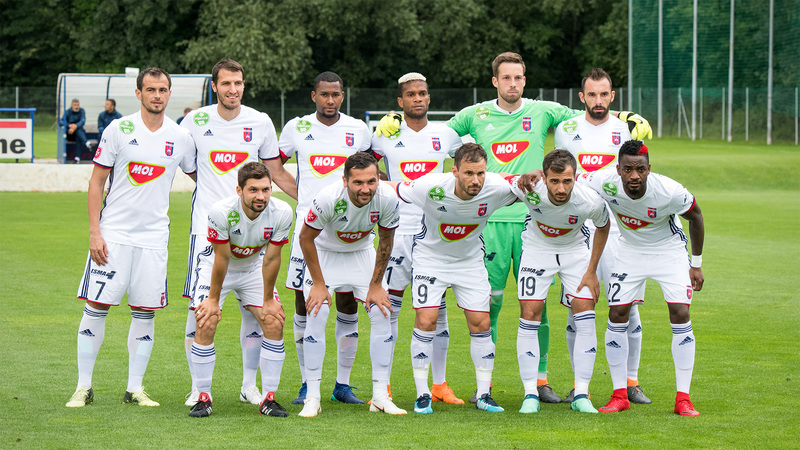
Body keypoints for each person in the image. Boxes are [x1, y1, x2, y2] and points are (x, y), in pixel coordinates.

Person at [379, 52, 651, 403]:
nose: (512, 84)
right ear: (495, 81)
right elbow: (433, 132)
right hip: (488, 221)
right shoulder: (474, 114)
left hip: (533, 220)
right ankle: (486, 385)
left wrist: (623, 115)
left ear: (525, 80)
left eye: (518, 77)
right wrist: (397, 119)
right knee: (487, 305)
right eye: (506, 78)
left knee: (537, 306)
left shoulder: (543, 111)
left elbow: (587, 114)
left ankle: (541, 380)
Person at [65, 67, 196, 408]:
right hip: (114, 235)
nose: (157, 95)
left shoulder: (180, 137)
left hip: (154, 239)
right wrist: (95, 232)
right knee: (96, 306)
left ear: (169, 94)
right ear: (138, 93)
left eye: (162, 90)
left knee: (145, 311)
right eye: (150, 89)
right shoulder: (119, 129)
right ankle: (83, 387)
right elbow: (96, 182)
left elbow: (204, 178)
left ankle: (134, 389)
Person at [180, 59, 296, 408]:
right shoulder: (195, 121)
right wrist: (224, 204)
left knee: (257, 314)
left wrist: (309, 202)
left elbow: (275, 171)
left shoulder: (260, 121)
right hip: (207, 232)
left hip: (253, 235)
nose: (233, 89)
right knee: (201, 312)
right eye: (226, 83)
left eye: (239, 83)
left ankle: (250, 386)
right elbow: (190, 168)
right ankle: (198, 388)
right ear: (214, 86)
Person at [579, 140, 705, 416]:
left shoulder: (670, 191)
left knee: (680, 312)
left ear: (649, 169)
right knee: (617, 313)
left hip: (668, 251)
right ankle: (619, 395)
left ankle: (683, 398)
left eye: (640, 169)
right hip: (630, 250)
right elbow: (572, 178)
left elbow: (696, 217)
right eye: (628, 169)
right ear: (618, 169)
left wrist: (695, 265)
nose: (634, 175)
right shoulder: (604, 181)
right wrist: (536, 175)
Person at [391, 143, 518, 414]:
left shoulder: (495, 187)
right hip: (430, 259)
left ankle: (484, 394)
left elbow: (527, 186)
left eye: (481, 173)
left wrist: (533, 178)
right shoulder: (430, 187)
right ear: (455, 171)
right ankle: (422, 393)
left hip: (469, 262)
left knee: (481, 322)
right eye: (469, 173)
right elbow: (394, 188)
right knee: (426, 320)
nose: (476, 180)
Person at [273, 71, 373, 405]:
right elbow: (273, 165)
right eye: (324, 94)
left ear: (343, 95)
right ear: (313, 96)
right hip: (309, 229)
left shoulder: (358, 129)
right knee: (305, 303)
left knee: (346, 301)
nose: (330, 100)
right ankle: (307, 383)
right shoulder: (296, 127)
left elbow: (373, 171)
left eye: (336, 94)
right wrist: (301, 195)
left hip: (349, 228)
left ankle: (342, 384)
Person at [553, 68, 650, 405]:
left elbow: (637, 175)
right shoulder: (566, 130)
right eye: (591, 94)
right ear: (582, 97)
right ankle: (580, 385)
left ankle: (631, 382)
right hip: (580, 229)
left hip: (619, 228)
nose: (598, 100)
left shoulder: (625, 130)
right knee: (577, 306)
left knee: (627, 305)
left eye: (603, 94)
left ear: (612, 96)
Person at [370, 72, 464, 405]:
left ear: (429, 97)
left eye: (422, 93)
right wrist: (383, 181)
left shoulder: (446, 134)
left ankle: (439, 385)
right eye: (410, 94)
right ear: (400, 101)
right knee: (388, 309)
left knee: (437, 311)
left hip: (434, 234)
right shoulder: (385, 135)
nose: (418, 98)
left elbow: (470, 162)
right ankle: (382, 387)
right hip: (396, 233)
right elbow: (362, 166)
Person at [297, 152, 403, 417]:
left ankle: (380, 396)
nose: (365, 189)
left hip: (361, 253)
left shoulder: (388, 198)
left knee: (382, 313)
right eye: (358, 183)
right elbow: (305, 238)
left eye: (371, 181)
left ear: (378, 179)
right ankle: (312, 397)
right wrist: (318, 283)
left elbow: (386, 240)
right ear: (345, 181)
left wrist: (376, 285)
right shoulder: (328, 198)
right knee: (317, 312)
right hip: (326, 254)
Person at [188, 162, 293, 418]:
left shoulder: (282, 212)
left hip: (253, 267)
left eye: (266, 189)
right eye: (253, 190)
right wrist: (213, 300)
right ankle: (203, 396)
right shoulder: (221, 212)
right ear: (239, 190)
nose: (261, 196)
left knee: (273, 320)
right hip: (216, 266)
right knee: (206, 320)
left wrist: (268, 300)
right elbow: (222, 258)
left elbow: (272, 258)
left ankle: (268, 397)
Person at [510, 149, 610, 414]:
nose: (561, 188)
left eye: (567, 181)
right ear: (543, 177)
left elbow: (603, 226)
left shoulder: (589, 200)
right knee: (530, 313)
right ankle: (530, 394)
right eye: (554, 181)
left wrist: (592, 270)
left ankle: (581, 394)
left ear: (576, 177)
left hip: (575, 252)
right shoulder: (529, 188)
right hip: (537, 250)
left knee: (585, 313)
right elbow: (496, 184)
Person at [60, 98, 88, 163]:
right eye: (75, 105)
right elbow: (61, 122)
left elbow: (82, 121)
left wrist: (75, 126)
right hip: (69, 134)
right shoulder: (67, 112)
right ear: (71, 105)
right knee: (78, 130)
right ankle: (86, 142)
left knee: (78, 133)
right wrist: (70, 125)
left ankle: (77, 159)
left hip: (78, 135)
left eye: (78, 105)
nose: (76, 107)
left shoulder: (82, 111)